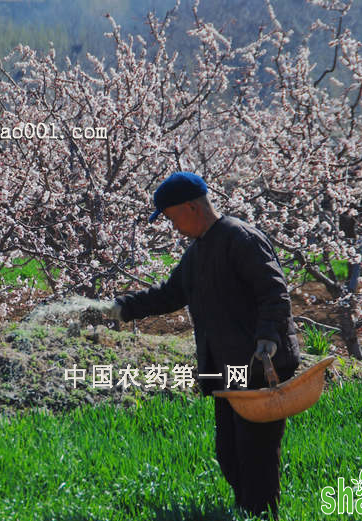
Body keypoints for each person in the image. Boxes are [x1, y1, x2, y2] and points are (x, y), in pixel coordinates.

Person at [99, 171, 300, 520]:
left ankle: (261, 513)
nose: (173, 226)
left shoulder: (240, 238)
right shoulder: (199, 252)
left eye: (172, 216)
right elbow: (170, 294)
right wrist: (120, 308)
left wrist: (268, 338)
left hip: (258, 365)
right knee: (229, 453)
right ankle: (247, 510)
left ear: (191, 207)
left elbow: (274, 291)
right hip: (229, 369)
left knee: (256, 453)